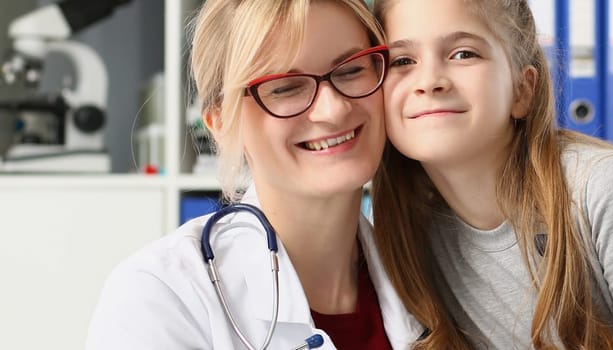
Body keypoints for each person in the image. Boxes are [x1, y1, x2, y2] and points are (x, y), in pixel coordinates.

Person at [368, 0, 613, 349]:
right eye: (403, 61)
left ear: (522, 91)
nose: (430, 81)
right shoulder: (410, 232)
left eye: (463, 54)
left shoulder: (606, 191)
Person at [85, 0, 424, 348]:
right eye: (285, 87)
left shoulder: (429, 273)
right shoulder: (160, 297)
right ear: (221, 124)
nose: (333, 109)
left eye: (351, 70)